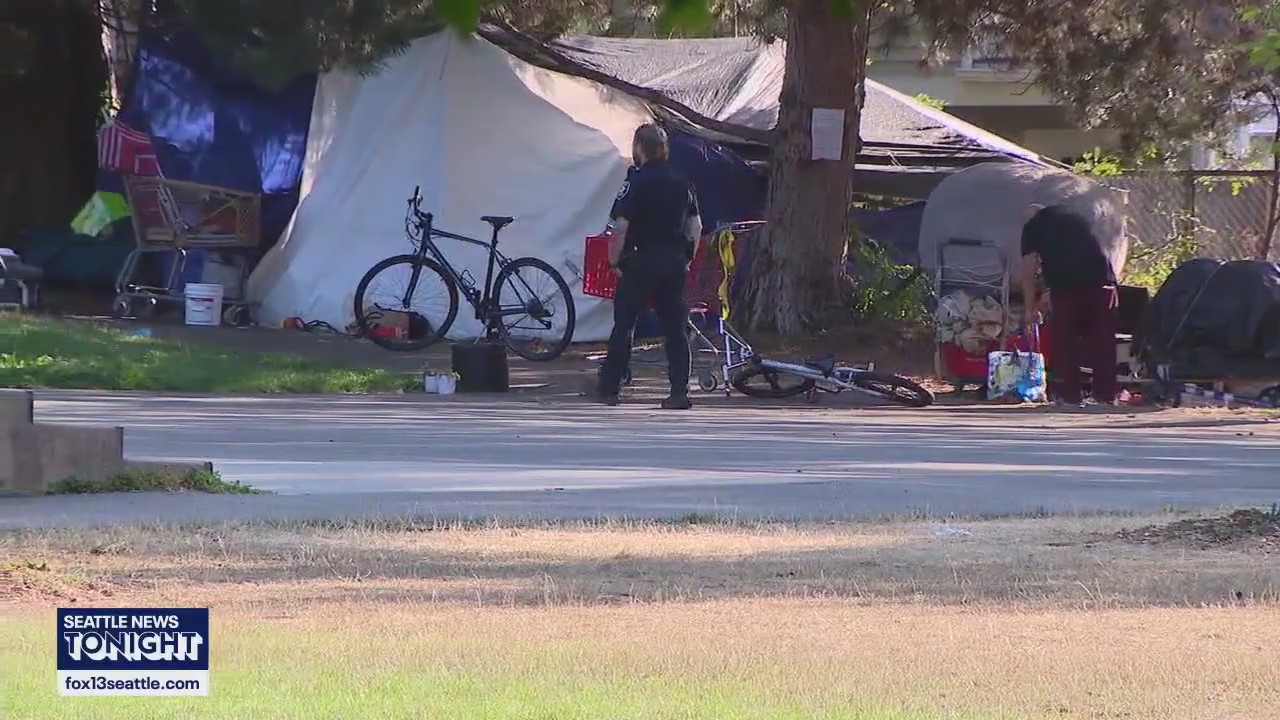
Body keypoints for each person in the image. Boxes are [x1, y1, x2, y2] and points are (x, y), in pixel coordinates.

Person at [592, 123, 702, 409]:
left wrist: (615, 260)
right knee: (676, 328)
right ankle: (679, 391)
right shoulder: (683, 182)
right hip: (674, 261)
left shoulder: (636, 183)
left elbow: (620, 227)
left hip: (641, 261)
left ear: (639, 148)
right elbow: (696, 225)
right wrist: (687, 257)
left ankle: (610, 388)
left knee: (625, 325)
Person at [1018, 202, 1119, 408]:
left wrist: (1029, 311)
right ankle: (1105, 395)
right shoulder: (1074, 217)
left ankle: (1070, 395)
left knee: (1065, 339)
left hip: (1067, 285)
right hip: (1103, 280)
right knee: (1102, 339)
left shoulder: (1033, 227)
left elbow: (1028, 274)